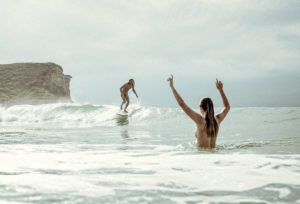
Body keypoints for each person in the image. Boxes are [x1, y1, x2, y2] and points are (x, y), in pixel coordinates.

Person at [167, 75, 230, 148]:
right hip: (214, 156)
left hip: (203, 157)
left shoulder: (200, 121)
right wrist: (221, 90)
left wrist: (172, 87)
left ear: (201, 107)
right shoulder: (217, 120)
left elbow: (182, 104)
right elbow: (227, 107)